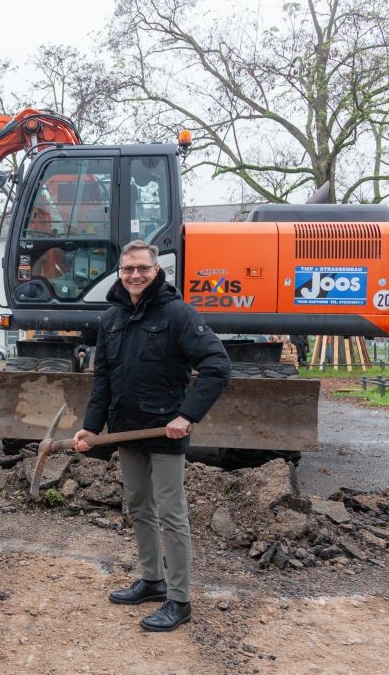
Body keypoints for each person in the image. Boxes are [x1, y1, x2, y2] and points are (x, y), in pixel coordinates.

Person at [74, 240, 231, 632]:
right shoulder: (111, 319)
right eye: (128, 269)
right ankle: (152, 581)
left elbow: (217, 364)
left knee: (171, 513)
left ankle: (179, 601)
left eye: (142, 268)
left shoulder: (177, 314)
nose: (135, 275)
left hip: (165, 431)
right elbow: (104, 379)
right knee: (139, 507)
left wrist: (187, 414)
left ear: (156, 271)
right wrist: (92, 426)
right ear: (119, 272)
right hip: (127, 431)